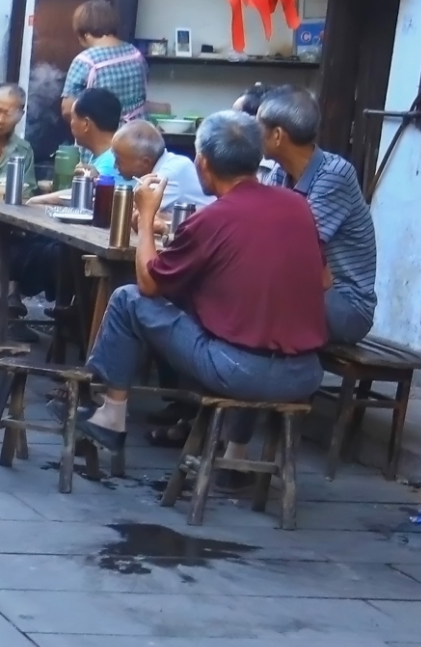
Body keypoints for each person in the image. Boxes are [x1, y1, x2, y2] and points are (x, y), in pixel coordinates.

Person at [83, 109, 329, 443]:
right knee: (245, 323)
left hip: (238, 371)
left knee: (128, 299)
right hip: (306, 372)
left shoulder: (213, 218)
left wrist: (145, 218)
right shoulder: (299, 206)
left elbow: (149, 284)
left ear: (202, 162)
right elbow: (325, 280)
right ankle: (234, 455)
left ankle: (111, 416)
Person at [254, 86, 377, 347]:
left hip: (346, 305)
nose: (253, 134)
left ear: (277, 135)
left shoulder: (334, 174)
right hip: (306, 288)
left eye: (258, 126)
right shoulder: (279, 172)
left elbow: (293, 247)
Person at [64, 0, 149, 123]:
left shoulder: (85, 61)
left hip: (103, 137)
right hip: (136, 133)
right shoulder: (136, 54)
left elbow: (67, 109)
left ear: (86, 35)